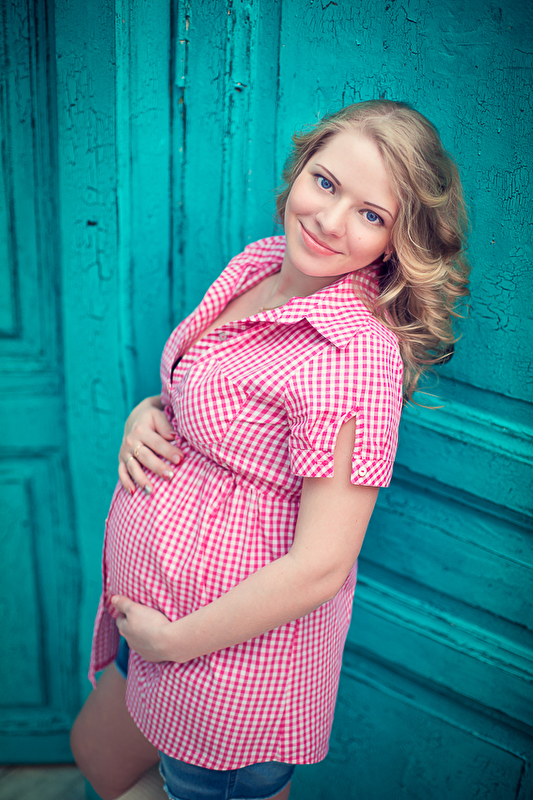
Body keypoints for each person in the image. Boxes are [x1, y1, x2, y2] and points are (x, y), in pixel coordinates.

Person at [71, 99, 469, 800]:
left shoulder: (353, 356)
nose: (329, 220)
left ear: (396, 240)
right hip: (157, 617)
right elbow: (208, 395)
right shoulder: (258, 263)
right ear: (301, 168)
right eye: (325, 182)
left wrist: (174, 643)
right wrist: (148, 414)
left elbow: (321, 566)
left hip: (226, 665)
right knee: (98, 759)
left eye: (370, 214)